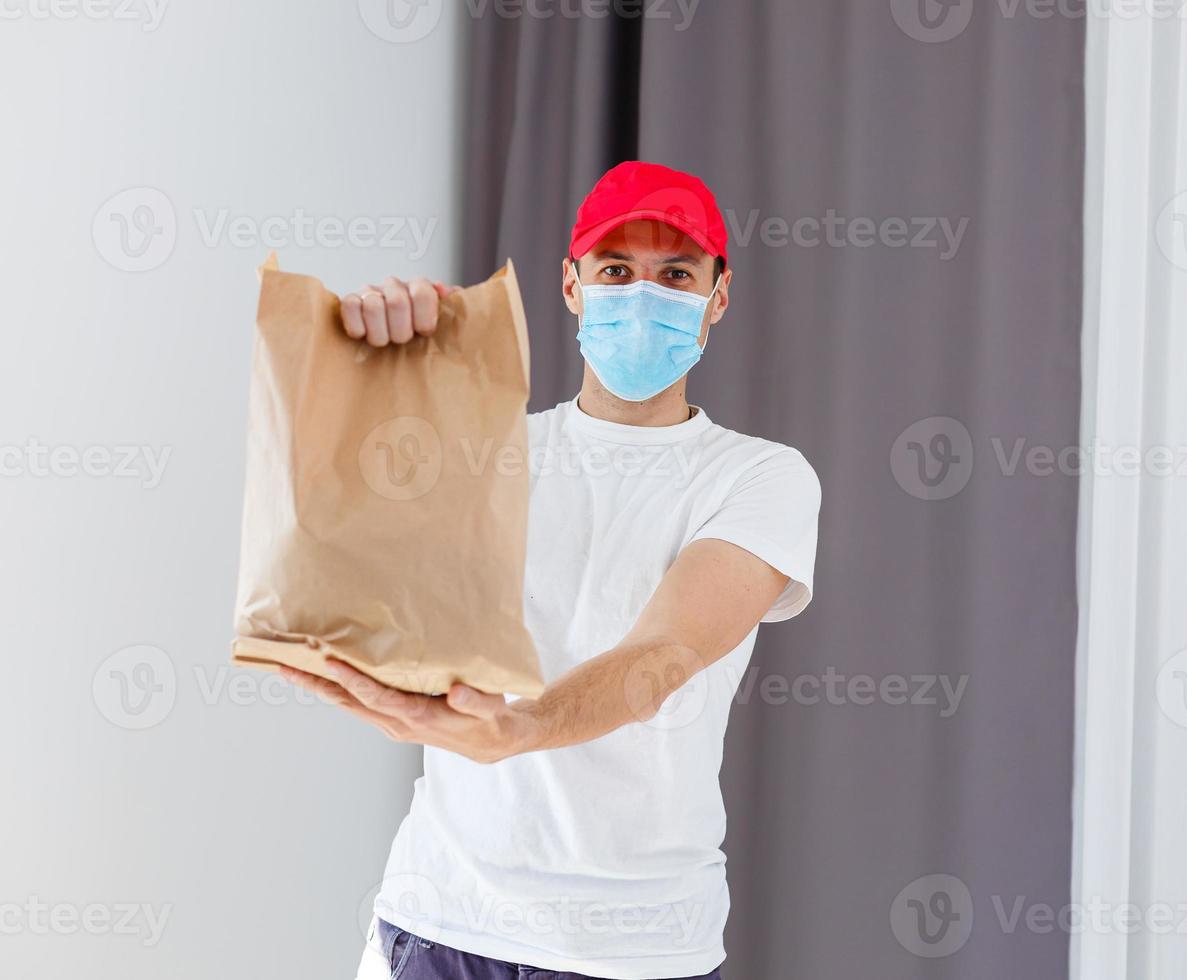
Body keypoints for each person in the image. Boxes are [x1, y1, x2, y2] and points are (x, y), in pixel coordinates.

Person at [281, 161, 822, 980]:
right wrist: (363, 369)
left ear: (718, 295)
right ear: (571, 286)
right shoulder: (484, 454)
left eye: (676, 274)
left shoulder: (759, 477)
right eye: (616, 271)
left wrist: (521, 730)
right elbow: (329, 580)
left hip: (639, 947)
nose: (644, 296)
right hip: (438, 926)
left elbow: (666, 654)